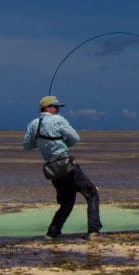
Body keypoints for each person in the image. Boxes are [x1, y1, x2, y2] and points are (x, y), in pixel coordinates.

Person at [22, 95, 102, 240]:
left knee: (66, 202)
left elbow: (27, 145)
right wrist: (61, 144)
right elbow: (75, 138)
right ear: (47, 107)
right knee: (92, 193)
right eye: (55, 106)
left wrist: (43, 144)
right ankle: (93, 231)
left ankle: (52, 233)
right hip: (65, 164)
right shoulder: (58, 120)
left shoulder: (33, 124)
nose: (58, 109)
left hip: (52, 169)